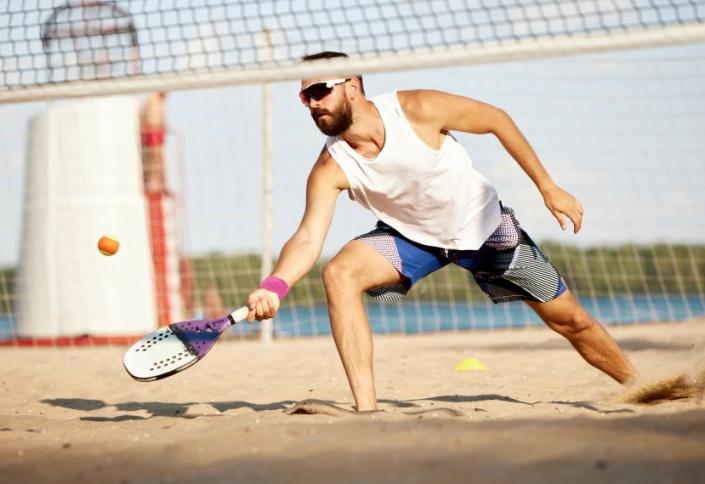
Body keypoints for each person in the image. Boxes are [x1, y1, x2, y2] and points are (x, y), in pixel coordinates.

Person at [247, 51, 637, 411]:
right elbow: (308, 237)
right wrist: (275, 286)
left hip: (485, 230)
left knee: (571, 321)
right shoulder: (331, 166)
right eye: (305, 98)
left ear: (352, 85)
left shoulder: (417, 109)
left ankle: (641, 386)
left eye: (320, 90)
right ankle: (367, 411)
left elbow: (497, 119)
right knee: (339, 273)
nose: (313, 103)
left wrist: (548, 187)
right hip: (413, 240)